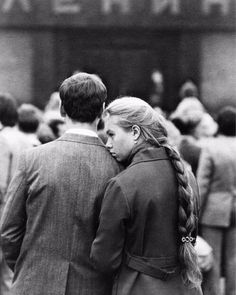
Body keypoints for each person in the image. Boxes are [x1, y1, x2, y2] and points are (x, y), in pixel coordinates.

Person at [0, 72, 121, 295]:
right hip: (93, 286)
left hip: (33, 282)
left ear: (62, 109)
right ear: (102, 110)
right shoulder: (117, 167)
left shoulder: (33, 159)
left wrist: (28, 268)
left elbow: (9, 231)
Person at [90, 96, 202, 295]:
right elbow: (189, 238)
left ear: (135, 132)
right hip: (186, 286)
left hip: (137, 287)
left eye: (111, 134)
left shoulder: (123, 184)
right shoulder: (187, 176)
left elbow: (105, 259)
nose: (107, 143)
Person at [196, 106, 236, 295]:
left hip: (213, 210)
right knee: (233, 258)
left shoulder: (210, 147)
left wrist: (195, 211)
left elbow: (201, 185)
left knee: (213, 258)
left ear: (218, 124)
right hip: (234, 208)